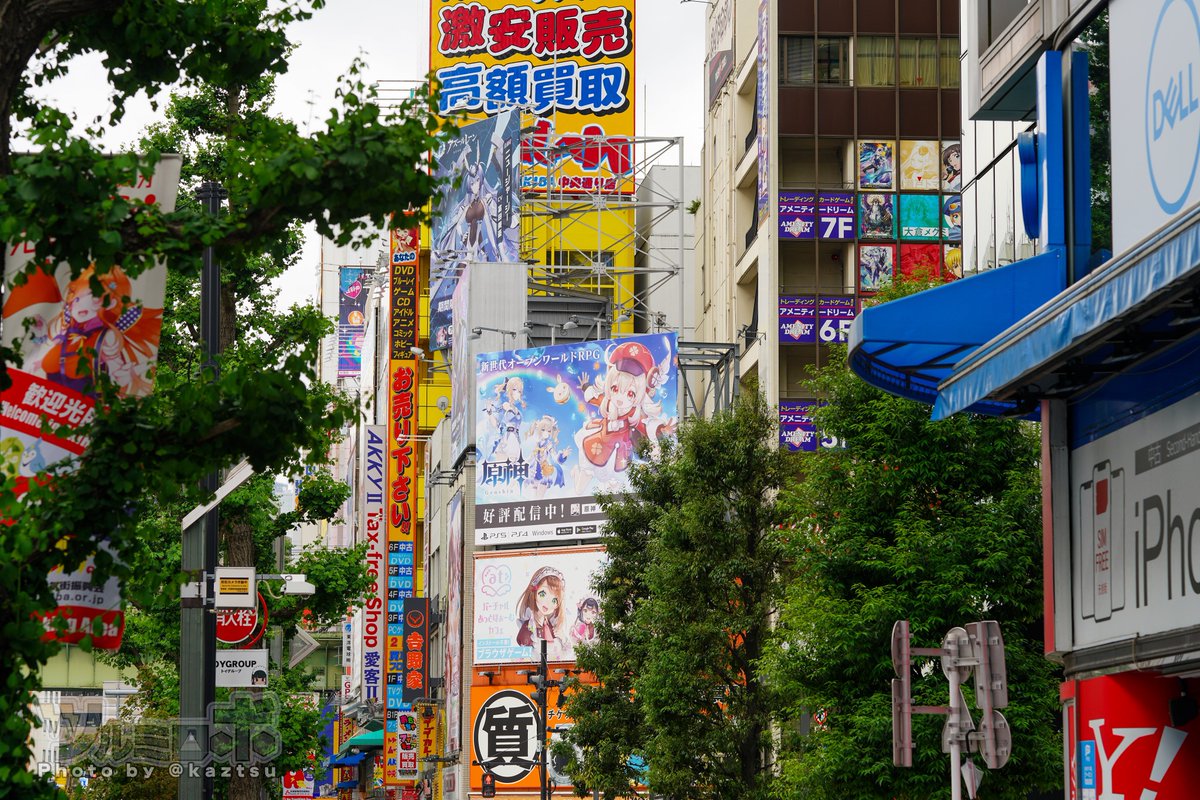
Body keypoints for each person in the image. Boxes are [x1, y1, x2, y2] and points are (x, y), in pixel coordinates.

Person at [39, 265, 161, 399]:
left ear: (111, 303)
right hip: (49, 400)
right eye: (77, 299)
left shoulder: (105, 337)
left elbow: (117, 378)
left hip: (82, 406)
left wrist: (141, 367)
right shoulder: (67, 331)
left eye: (94, 299)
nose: (81, 305)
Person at [572, 339, 675, 493]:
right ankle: (577, 485)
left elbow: (644, 425)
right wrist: (586, 386)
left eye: (630, 393)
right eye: (615, 388)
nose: (620, 398)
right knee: (587, 471)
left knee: (616, 481)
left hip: (619, 449)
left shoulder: (632, 413)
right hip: (599, 441)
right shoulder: (608, 403)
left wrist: (662, 429)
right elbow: (594, 397)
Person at [515, 566, 568, 658]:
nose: (547, 603)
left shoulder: (551, 625)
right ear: (534, 593)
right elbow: (525, 648)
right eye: (543, 594)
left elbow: (565, 654)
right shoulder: (529, 625)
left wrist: (562, 637)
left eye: (554, 600)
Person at [483, 376, 526, 464]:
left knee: (514, 465)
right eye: (514, 389)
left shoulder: (516, 409)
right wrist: (489, 412)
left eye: (519, 391)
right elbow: (496, 424)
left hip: (515, 439)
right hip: (506, 439)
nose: (517, 393)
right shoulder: (505, 405)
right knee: (505, 464)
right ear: (509, 390)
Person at [526, 415, 570, 498]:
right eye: (543, 429)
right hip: (534, 471)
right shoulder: (537, 443)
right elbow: (530, 457)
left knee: (539, 498)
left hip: (544, 472)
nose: (545, 432)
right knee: (533, 498)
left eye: (549, 431)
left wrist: (563, 456)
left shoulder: (549, 445)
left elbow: (555, 457)